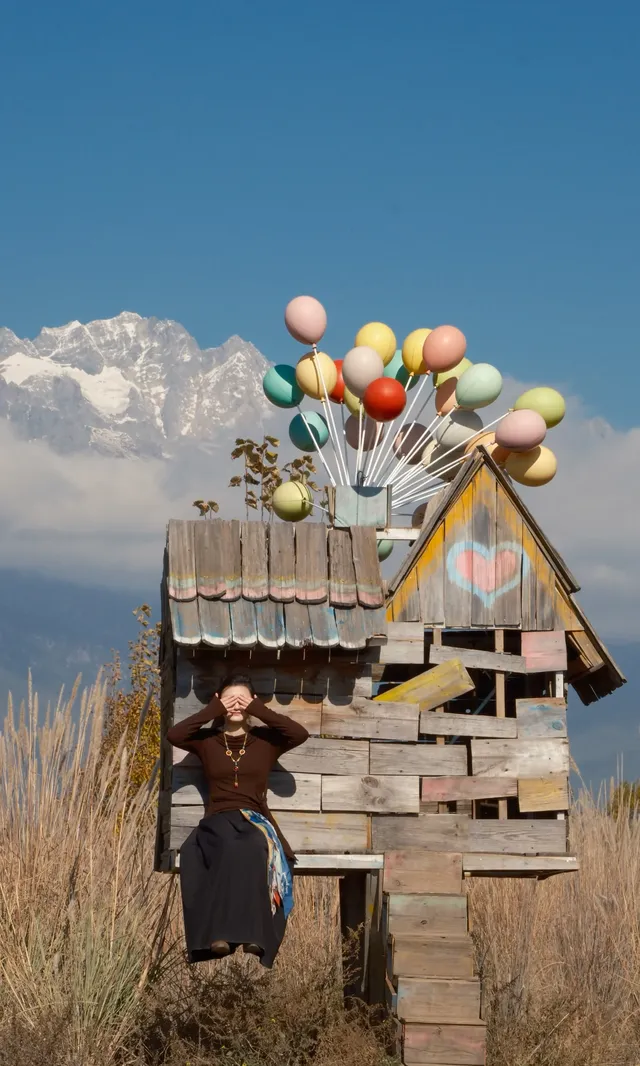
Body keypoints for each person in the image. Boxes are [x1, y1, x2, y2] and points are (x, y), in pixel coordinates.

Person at [166, 673, 309, 968]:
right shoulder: (207, 742)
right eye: (229, 699)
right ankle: (220, 935)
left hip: (255, 818)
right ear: (219, 701)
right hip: (217, 818)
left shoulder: (266, 742)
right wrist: (213, 711)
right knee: (227, 846)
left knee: (257, 847)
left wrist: (257, 708)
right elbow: (175, 735)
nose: (235, 705)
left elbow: (299, 734)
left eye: (241, 699)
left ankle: (255, 936)